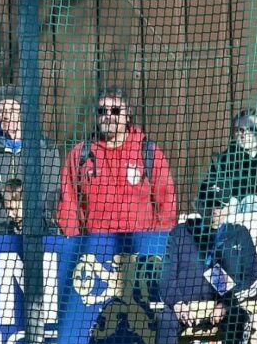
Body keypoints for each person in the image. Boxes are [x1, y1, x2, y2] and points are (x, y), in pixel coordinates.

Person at [145, 180, 257, 344]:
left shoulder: (239, 234)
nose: (214, 211)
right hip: (186, 307)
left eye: (220, 205)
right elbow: (166, 276)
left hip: (223, 306)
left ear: (229, 207)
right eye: (209, 204)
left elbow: (251, 277)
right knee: (165, 319)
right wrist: (177, 303)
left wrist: (227, 303)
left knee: (239, 319)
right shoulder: (180, 232)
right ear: (198, 205)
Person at [56, 87, 178, 234]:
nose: (108, 116)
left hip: (139, 247)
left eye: (115, 111)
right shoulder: (80, 154)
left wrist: (156, 247)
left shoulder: (147, 151)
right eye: (102, 111)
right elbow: (67, 203)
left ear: (127, 115)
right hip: (95, 248)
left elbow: (166, 202)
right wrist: (74, 244)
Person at [0, 85, 61, 233]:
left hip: (38, 234)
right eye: (1, 111)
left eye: (12, 111)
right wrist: (6, 223)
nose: (5, 115)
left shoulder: (47, 150)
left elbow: (50, 196)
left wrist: (28, 220)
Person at [205, 109, 257, 213]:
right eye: (239, 130)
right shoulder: (221, 162)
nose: (244, 134)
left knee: (250, 202)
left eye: (251, 129)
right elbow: (210, 193)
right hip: (232, 218)